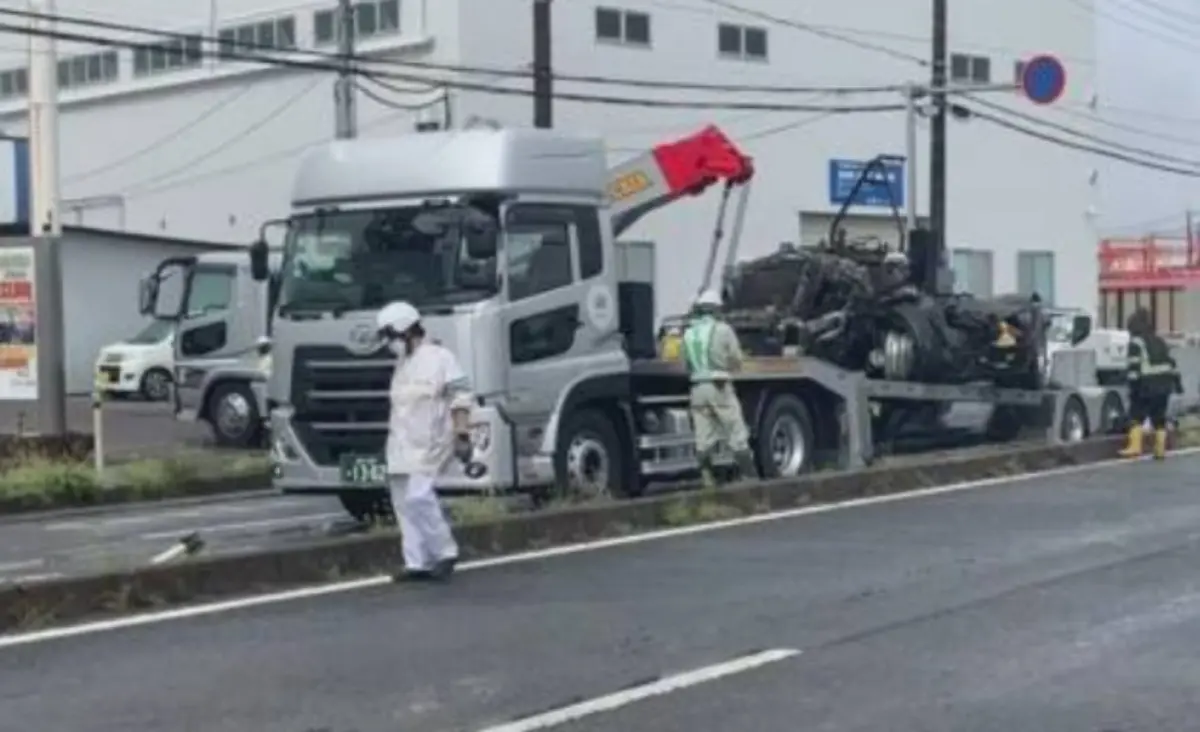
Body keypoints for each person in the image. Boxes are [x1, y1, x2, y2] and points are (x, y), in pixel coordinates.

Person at [375, 300, 475, 582]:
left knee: (419, 497)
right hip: (400, 443)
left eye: (392, 337)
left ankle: (445, 551)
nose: (389, 344)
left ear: (407, 332)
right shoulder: (401, 364)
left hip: (431, 442)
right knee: (402, 504)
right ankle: (416, 562)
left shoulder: (440, 357)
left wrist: (462, 434)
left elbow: (461, 397)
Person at [681, 288, 758, 488]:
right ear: (716, 309)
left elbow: (686, 364)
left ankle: (707, 480)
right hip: (720, 386)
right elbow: (736, 359)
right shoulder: (723, 330)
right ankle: (749, 477)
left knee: (703, 436)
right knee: (735, 430)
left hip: (697, 388)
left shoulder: (688, 333)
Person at [1119, 307, 1182, 460]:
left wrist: (1132, 387)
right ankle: (1159, 450)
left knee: (1136, 415)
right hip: (1165, 384)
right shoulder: (1160, 341)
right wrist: (1177, 385)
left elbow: (1134, 367)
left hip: (1146, 385)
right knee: (1159, 417)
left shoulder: (1136, 343)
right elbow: (1171, 363)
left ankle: (1134, 447)